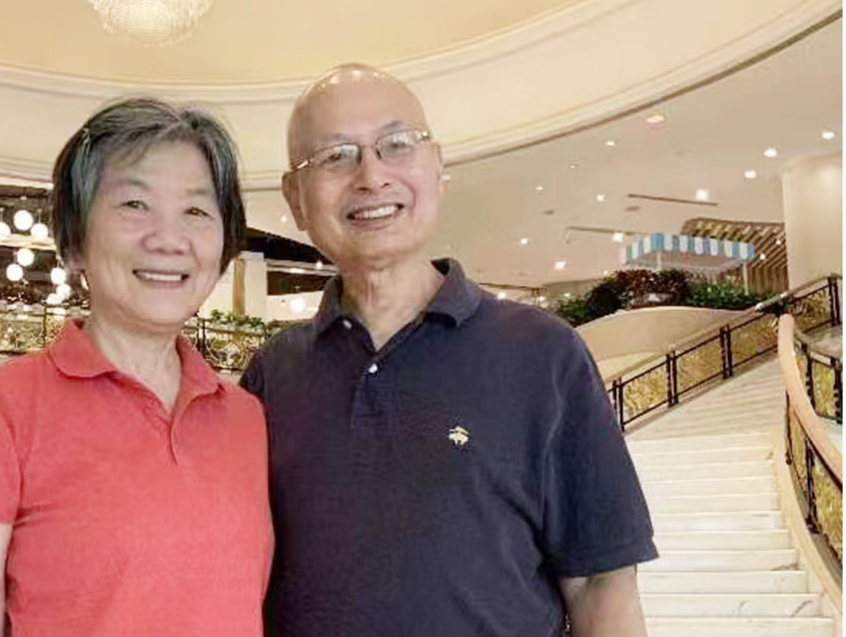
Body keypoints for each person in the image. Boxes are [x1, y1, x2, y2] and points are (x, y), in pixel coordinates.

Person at [241, 64, 657, 637]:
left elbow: (601, 584)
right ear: (295, 198)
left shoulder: (543, 353)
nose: (371, 176)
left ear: (438, 169)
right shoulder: (272, 375)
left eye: (396, 145)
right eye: (335, 156)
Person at [0, 97, 272, 637]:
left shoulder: (247, 417)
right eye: (135, 204)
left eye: (196, 211)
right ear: (75, 243)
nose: (168, 239)